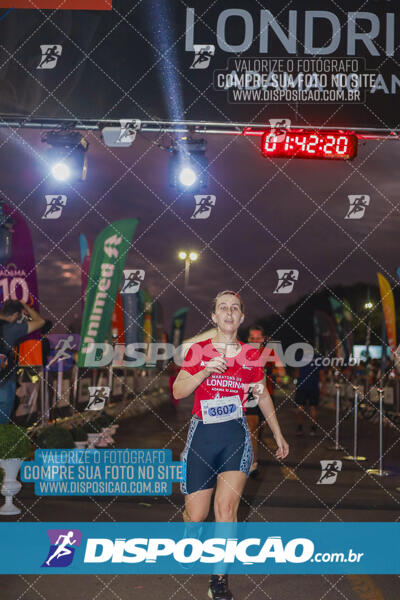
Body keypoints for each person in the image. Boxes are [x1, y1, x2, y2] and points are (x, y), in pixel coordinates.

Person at [173, 291, 289, 600]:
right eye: (222, 307)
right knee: (197, 513)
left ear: (240, 317)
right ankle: (190, 531)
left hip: (235, 437)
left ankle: (218, 581)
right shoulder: (198, 351)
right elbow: (178, 390)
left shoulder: (252, 355)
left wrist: (278, 433)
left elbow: (261, 394)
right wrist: (204, 371)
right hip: (202, 437)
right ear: (214, 316)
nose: (228, 312)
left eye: (234, 308)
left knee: (225, 510)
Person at [0, 299, 45, 423]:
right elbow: (40, 321)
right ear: (15, 315)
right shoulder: (12, 329)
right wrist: (24, 305)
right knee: (2, 427)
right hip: (4, 381)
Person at [245, 325, 278, 477]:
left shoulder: (270, 352)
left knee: (259, 430)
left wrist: (271, 371)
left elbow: (281, 370)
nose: (255, 341)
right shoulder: (243, 352)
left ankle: (253, 451)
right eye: (252, 338)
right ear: (248, 339)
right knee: (252, 427)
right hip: (250, 394)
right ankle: (253, 464)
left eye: (258, 338)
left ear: (263, 339)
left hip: (267, 395)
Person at [294, 348, 324, 436]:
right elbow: (322, 374)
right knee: (313, 407)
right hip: (313, 386)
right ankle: (313, 428)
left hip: (302, 386)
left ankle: (300, 427)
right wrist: (323, 387)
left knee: (300, 407)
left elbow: (297, 372)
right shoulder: (318, 358)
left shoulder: (300, 357)